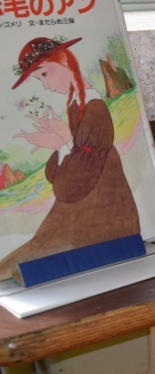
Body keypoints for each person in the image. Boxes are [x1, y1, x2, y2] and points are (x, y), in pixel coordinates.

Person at [2, 37, 141, 276]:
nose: (45, 86)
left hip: (100, 198)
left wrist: (61, 144)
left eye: (44, 74)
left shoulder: (94, 108)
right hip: (90, 190)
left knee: (44, 253)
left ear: (64, 60)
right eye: (39, 79)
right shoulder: (78, 103)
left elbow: (72, 187)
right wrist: (62, 143)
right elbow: (74, 160)